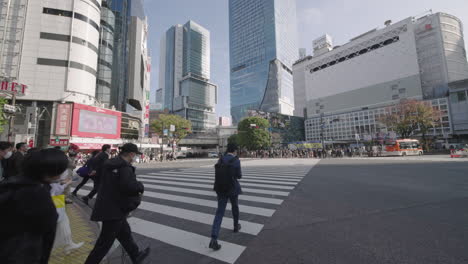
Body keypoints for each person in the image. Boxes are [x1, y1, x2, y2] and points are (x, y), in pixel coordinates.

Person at [0, 148, 69, 263]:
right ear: (51, 171)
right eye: (61, 169)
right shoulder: (37, 194)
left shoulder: (12, 183)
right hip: (21, 255)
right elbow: (45, 230)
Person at [84, 143, 149, 264]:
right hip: (114, 209)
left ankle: (136, 256)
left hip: (108, 204)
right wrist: (140, 185)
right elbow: (128, 186)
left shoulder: (110, 164)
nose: (134, 158)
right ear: (131, 154)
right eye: (134, 155)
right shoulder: (124, 167)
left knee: (125, 234)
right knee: (104, 244)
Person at [209, 143, 242, 251]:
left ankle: (214, 238)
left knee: (219, 213)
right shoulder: (236, 160)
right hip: (232, 188)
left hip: (221, 188)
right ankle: (236, 226)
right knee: (235, 207)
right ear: (235, 151)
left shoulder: (221, 159)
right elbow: (239, 176)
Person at [50, 176, 84, 254]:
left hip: (55, 205)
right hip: (53, 205)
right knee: (62, 225)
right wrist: (67, 183)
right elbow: (56, 190)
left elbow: (54, 184)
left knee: (63, 225)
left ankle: (69, 245)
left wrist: (62, 181)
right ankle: (68, 245)